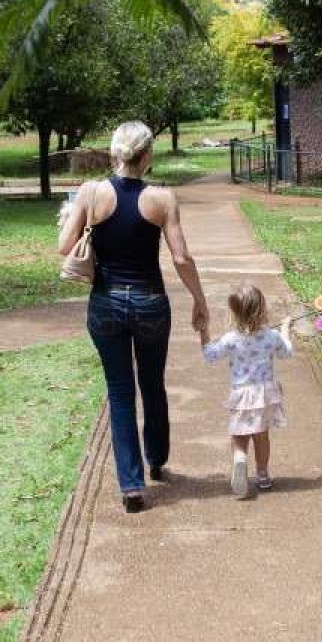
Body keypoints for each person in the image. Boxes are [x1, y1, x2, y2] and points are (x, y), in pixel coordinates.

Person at [58, 122, 210, 512]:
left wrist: (77, 214)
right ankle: (156, 459)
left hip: (106, 303)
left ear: (114, 154)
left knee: (120, 393)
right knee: (153, 384)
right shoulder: (162, 199)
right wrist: (199, 301)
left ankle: (131, 486)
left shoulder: (91, 192)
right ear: (146, 156)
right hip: (150, 303)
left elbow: (64, 247)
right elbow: (181, 257)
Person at [199, 282, 294, 497]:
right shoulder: (272, 336)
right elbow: (286, 353)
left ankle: (240, 457)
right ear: (262, 309)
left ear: (234, 313)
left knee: (239, 435)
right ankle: (262, 475)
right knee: (262, 436)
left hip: (242, 394)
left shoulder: (231, 339)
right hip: (265, 394)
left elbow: (210, 355)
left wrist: (203, 332)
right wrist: (286, 330)